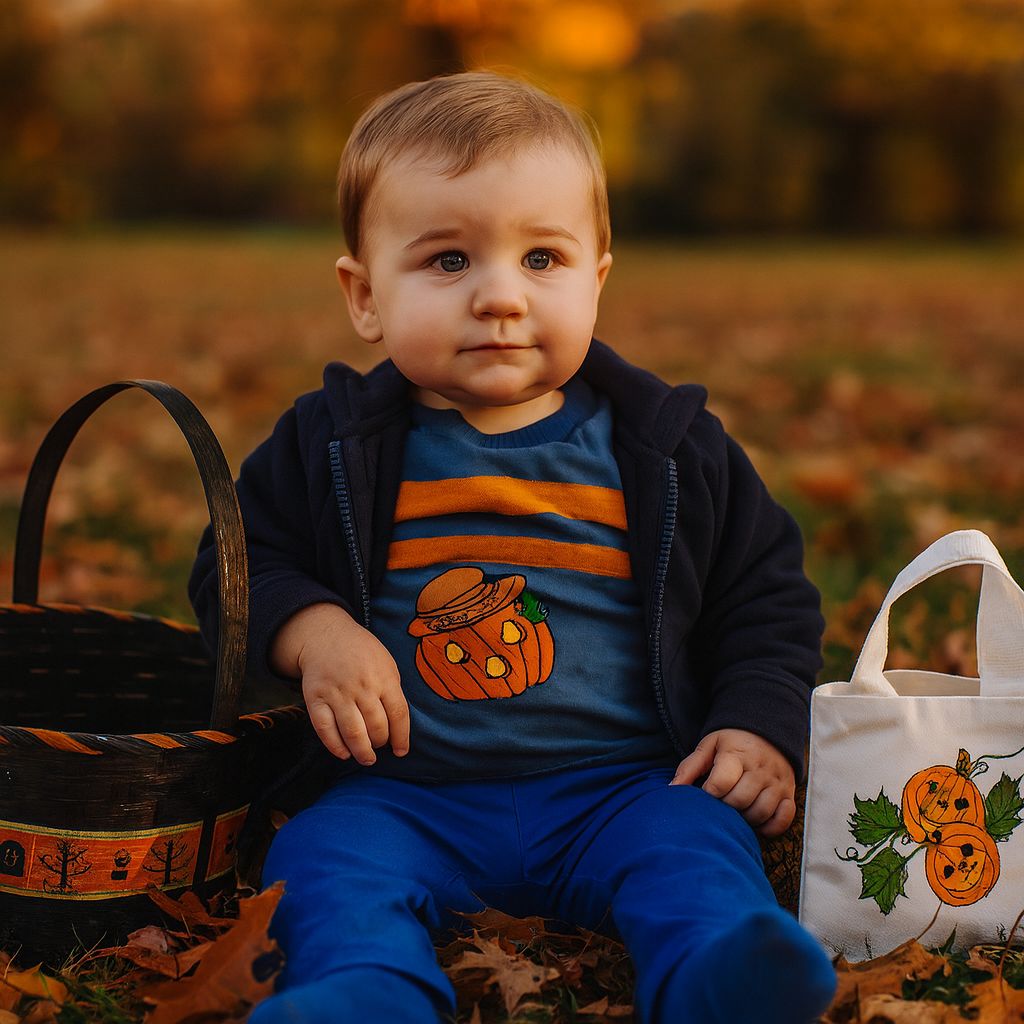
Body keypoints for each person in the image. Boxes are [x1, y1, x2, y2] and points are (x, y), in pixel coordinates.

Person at [189, 70, 836, 1023]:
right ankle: (364, 991)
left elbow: (765, 596)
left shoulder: (666, 447)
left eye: (542, 259)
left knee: (695, 849)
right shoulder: (329, 443)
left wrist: (757, 726)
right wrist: (317, 632)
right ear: (364, 296)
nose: (499, 296)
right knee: (322, 866)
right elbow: (234, 569)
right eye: (448, 262)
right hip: (404, 798)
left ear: (598, 277)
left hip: (623, 788)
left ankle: (715, 973)